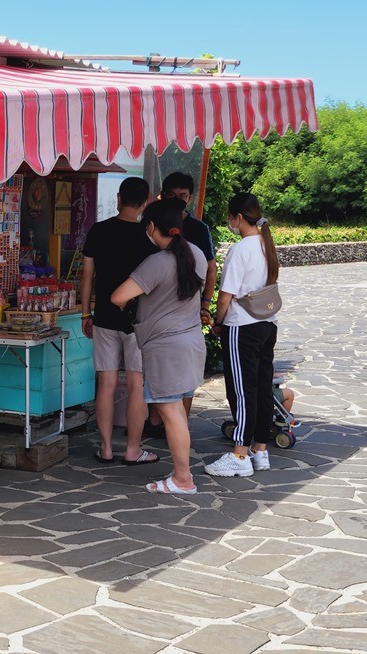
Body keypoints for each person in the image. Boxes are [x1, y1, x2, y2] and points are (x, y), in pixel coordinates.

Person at [111, 198, 206, 494]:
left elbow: (118, 296)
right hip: (190, 342)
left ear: (152, 227)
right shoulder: (197, 255)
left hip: (166, 347)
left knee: (172, 414)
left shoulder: (158, 262)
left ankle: (183, 479)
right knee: (176, 412)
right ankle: (181, 474)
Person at [80, 177, 159, 466]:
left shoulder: (99, 231)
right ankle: (133, 450)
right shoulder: (149, 237)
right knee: (137, 384)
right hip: (139, 320)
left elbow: (87, 275)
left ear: (118, 198)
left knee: (107, 382)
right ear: (147, 201)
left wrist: (86, 313)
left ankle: (105, 448)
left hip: (103, 315)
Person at [205, 192, 280, 477]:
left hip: (242, 325)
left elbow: (226, 296)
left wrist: (218, 322)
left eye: (229, 217)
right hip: (267, 323)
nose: (229, 223)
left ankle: (239, 454)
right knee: (260, 388)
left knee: (241, 390)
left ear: (237, 217)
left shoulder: (241, 249)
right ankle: (260, 450)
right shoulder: (266, 244)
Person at [142, 171, 217, 437]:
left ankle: (179, 425)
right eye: (173, 196)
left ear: (191, 197)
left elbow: (211, 269)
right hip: (156, 314)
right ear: (162, 196)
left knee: (185, 376)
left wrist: (205, 304)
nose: (179, 200)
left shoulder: (198, 229)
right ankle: (154, 422)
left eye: (183, 196)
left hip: (186, 311)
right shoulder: (153, 228)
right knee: (155, 370)